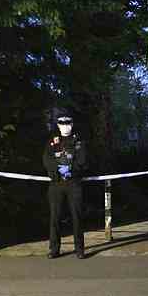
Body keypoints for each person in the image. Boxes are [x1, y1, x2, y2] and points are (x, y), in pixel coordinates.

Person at [42, 111, 87, 259]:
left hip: (74, 184)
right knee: (55, 217)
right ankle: (54, 249)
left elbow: (82, 161)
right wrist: (57, 172)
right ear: (58, 125)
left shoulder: (78, 141)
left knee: (77, 216)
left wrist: (71, 171)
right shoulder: (51, 142)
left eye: (68, 123)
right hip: (56, 184)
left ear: (72, 125)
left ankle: (79, 249)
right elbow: (47, 160)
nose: (65, 126)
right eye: (62, 123)